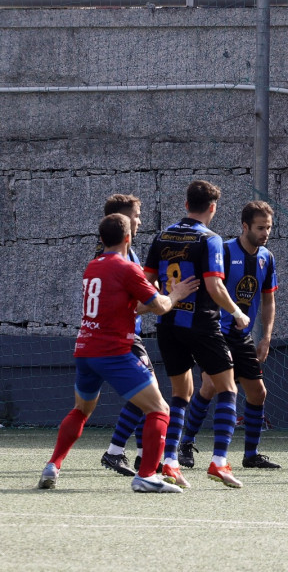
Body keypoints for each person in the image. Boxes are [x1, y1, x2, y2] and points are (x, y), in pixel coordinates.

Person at [38, 213, 198, 493]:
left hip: (85, 349)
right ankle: (147, 474)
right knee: (160, 409)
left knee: (81, 410)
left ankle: (53, 465)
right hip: (112, 351)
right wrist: (176, 294)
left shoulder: (92, 266)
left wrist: (150, 297)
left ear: (101, 239)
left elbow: (129, 305)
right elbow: (159, 306)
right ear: (128, 238)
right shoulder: (127, 269)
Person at [144, 180, 250, 489]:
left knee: (181, 392)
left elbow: (146, 281)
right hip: (201, 324)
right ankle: (219, 461)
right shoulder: (210, 239)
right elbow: (216, 288)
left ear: (187, 203)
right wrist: (237, 312)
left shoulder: (161, 235)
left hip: (167, 324)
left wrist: (170, 296)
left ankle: (170, 460)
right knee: (228, 386)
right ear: (213, 208)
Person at [178, 201, 280, 469]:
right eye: (260, 228)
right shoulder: (223, 251)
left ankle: (251, 455)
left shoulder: (266, 258)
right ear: (245, 226)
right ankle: (185, 443)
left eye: (268, 228)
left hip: (242, 336)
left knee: (258, 393)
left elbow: (269, 301)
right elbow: (208, 289)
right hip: (216, 332)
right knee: (210, 387)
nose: (265, 233)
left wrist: (266, 337)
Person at [95, 194, 158, 477]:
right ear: (121, 220)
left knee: (147, 396)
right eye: (135, 214)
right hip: (123, 337)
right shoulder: (114, 256)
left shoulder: (125, 251)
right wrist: (168, 299)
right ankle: (115, 451)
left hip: (130, 335)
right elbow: (130, 304)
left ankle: (143, 455)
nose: (140, 220)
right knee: (148, 395)